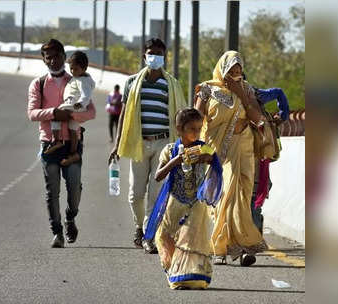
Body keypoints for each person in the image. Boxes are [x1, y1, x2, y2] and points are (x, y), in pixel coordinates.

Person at [108, 38, 188, 254]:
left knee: (155, 192)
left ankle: (149, 236)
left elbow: (181, 114)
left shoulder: (172, 84)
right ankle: (139, 227)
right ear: (144, 55)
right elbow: (124, 114)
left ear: (165, 57)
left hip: (163, 142)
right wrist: (116, 144)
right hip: (139, 143)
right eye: (151, 53)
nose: (155, 57)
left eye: (159, 53)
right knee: (136, 193)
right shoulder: (132, 82)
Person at [194, 51, 268, 266]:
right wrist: (193, 146)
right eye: (231, 71)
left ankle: (242, 247)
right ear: (222, 69)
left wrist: (240, 93)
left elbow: (257, 117)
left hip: (243, 147)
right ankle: (219, 246)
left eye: (239, 71)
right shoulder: (207, 90)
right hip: (217, 150)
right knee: (224, 193)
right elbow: (196, 118)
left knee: (242, 195)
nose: (235, 74)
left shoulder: (246, 89)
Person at [27, 39, 96, 248]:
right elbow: (32, 113)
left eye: (57, 56)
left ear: (64, 57)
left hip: (72, 143)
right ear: (43, 59)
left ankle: (70, 217)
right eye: (48, 57)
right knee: (52, 190)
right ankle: (57, 232)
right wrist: (54, 113)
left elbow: (91, 111)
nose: (53, 60)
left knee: (74, 187)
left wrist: (71, 116)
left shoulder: (76, 79)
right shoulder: (38, 84)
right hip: (49, 143)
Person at [145, 108, 223, 290]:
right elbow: (158, 176)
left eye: (199, 128)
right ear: (179, 129)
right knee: (164, 236)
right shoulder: (170, 150)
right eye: (191, 129)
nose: (196, 133)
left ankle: (191, 278)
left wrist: (210, 160)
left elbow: (217, 166)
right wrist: (176, 161)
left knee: (191, 238)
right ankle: (175, 270)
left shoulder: (204, 147)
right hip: (175, 201)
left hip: (197, 203)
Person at [249, 87, 289, 232]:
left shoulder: (253, 93)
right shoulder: (224, 97)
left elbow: (278, 92)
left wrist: (283, 115)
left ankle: (255, 230)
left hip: (258, 151)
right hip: (236, 154)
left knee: (256, 190)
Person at [45, 51, 95, 166]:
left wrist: (80, 103)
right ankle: (73, 153)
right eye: (71, 69)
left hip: (73, 105)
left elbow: (85, 95)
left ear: (84, 68)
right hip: (77, 107)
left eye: (76, 69)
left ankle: (56, 141)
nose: (73, 72)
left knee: (56, 115)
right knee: (73, 130)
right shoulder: (78, 78)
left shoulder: (83, 80)